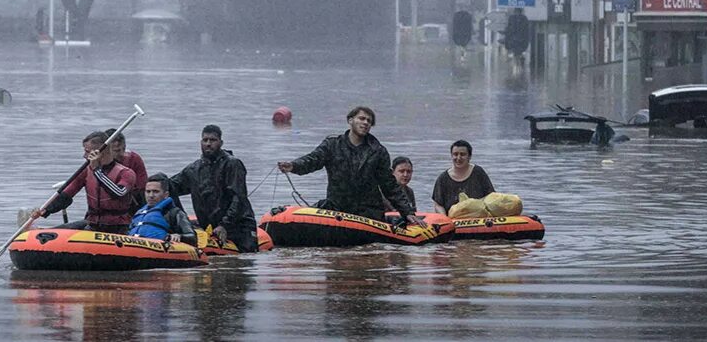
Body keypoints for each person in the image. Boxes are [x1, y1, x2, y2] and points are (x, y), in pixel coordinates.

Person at [278, 106, 425, 227]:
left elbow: (389, 185)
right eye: (362, 118)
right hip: (337, 208)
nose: (366, 122)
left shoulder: (378, 151)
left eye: (369, 121)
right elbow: (312, 160)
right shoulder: (332, 145)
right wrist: (293, 166)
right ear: (350, 120)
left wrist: (407, 212)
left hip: (368, 212)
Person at [170, 124, 259, 252]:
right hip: (210, 227)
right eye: (205, 140)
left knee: (245, 259)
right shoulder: (193, 169)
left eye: (212, 140)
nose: (208, 144)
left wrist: (224, 225)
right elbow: (169, 187)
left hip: (239, 226)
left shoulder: (232, 164)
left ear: (221, 142)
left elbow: (239, 198)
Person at [33, 130, 137, 233]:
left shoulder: (126, 173)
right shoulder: (86, 171)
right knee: (59, 231)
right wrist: (46, 210)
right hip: (93, 224)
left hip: (118, 228)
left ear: (101, 151)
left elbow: (119, 193)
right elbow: (67, 194)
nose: (84, 156)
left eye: (87, 151)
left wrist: (97, 170)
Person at [127, 174, 198, 246]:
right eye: (148, 192)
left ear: (166, 194)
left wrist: (179, 236)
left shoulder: (175, 213)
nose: (151, 195)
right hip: (135, 247)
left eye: (156, 192)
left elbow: (193, 237)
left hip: (162, 249)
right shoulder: (139, 213)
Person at [431, 139, 495, 215]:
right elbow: (438, 204)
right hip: (453, 220)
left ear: (469, 156)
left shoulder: (478, 172)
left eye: (462, 154)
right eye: (455, 154)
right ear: (451, 156)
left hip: (479, 219)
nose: (458, 158)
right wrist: (445, 218)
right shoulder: (443, 178)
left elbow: (491, 196)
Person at [105, 127, 148, 207]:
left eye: (123, 149)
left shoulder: (134, 159)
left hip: (131, 201)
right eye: (116, 151)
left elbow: (142, 185)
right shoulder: (97, 164)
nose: (121, 154)